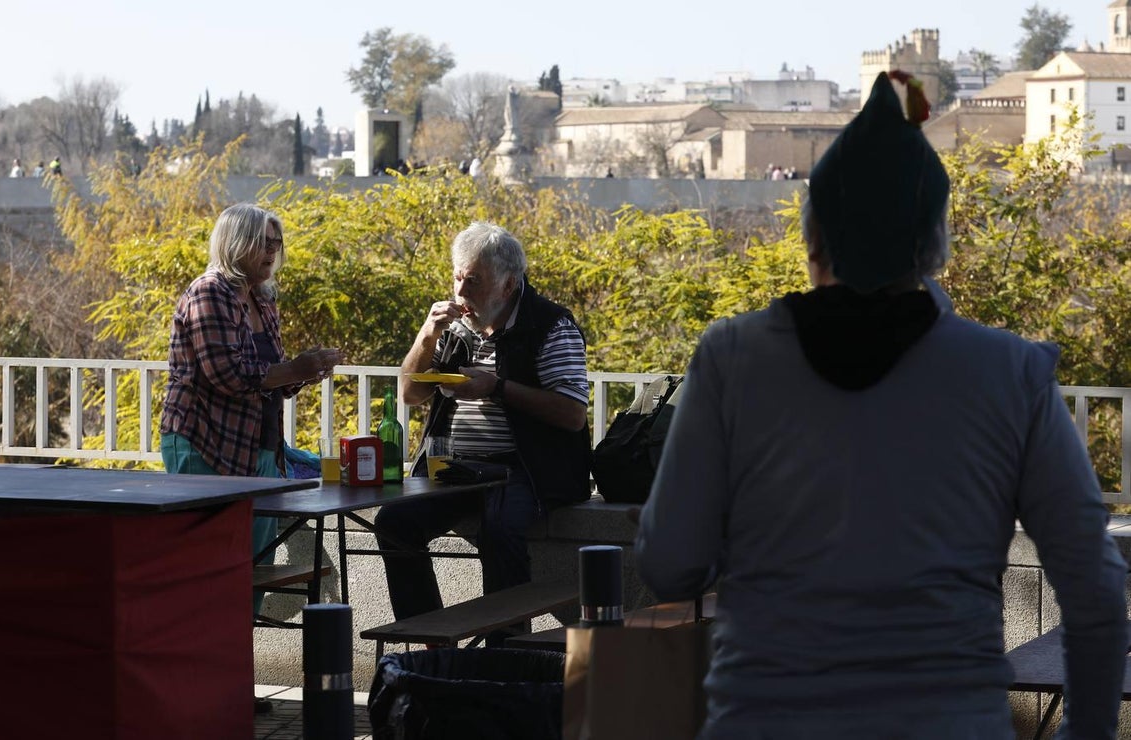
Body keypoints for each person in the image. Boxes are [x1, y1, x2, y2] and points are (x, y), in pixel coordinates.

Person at [636, 71, 1128, 739]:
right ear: (933, 249)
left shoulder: (731, 359)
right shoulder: (1008, 372)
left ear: (812, 239)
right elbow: (1095, 592)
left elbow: (670, 564)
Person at [375, 221, 591, 626]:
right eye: (457, 277)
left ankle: (505, 656)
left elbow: (572, 412)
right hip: (455, 468)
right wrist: (427, 334)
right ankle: (427, 636)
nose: (460, 293)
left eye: (473, 281)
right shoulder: (456, 327)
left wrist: (497, 388)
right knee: (394, 522)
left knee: (500, 532)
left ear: (508, 285)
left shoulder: (549, 326)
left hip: (522, 470)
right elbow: (410, 394)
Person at [159, 203, 343, 620]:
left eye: (277, 242)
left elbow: (270, 375)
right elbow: (226, 374)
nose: (273, 251)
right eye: (264, 242)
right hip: (204, 441)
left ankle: (234, 662)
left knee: (254, 563)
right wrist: (291, 369)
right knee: (209, 565)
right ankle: (200, 667)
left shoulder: (262, 298)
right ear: (235, 243)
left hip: (257, 448)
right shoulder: (209, 292)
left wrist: (306, 369)